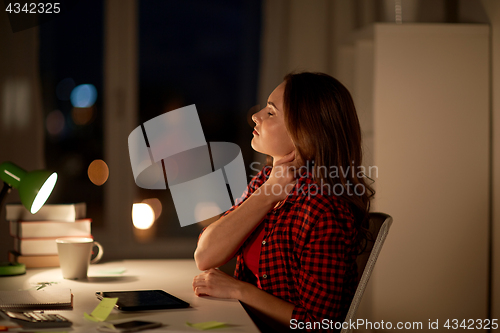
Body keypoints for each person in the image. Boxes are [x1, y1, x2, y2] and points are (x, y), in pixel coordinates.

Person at [192, 72, 374, 332]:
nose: (256, 116)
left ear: (305, 132)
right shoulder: (266, 181)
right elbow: (205, 255)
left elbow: (319, 326)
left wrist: (238, 290)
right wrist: (268, 194)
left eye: (271, 112)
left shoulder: (323, 210)